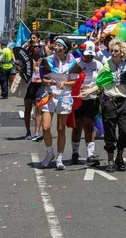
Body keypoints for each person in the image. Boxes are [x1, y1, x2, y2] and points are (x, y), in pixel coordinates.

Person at [86, 38, 126, 172]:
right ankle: (110, 159)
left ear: (122, 52)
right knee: (110, 133)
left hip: (123, 102)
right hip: (109, 101)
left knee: (125, 133)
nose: (113, 53)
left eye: (116, 51)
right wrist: (87, 92)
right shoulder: (106, 66)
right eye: (111, 50)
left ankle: (120, 153)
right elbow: (99, 84)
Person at [39, 37, 78, 170]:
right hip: (49, 95)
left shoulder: (73, 62)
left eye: (59, 45)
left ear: (65, 48)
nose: (56, 47)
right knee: (46, 127)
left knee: (61, 129)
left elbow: (74, 82)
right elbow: (43, 78)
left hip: (64, 96)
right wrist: (48, 82)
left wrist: (65, 83)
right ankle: (50, 153)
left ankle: (60, 158)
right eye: (55, 45)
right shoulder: (47, 61)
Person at [69, 41, 103, 167]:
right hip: (77, 99)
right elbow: (70, 80)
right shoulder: (76, 63)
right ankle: (75, 153)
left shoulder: (98, 65)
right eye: (86, 55)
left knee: (89, 126)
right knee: (76, 127)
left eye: (91, 56)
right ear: (82, 52)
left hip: (91, 99)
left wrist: (92, 89)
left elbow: (101, 82)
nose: (88, 58)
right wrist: (79, 88)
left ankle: (90, 154)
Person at [23, 42, 44, 141]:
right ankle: (28, 131)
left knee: (39, 110)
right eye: (35, 46)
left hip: (40, 86)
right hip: (29, 86)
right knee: (27, 110)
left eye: (39, 46)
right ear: (31, 48)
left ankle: (36, 132)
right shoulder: (27, 61)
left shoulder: (43, 60)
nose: (37, 48)